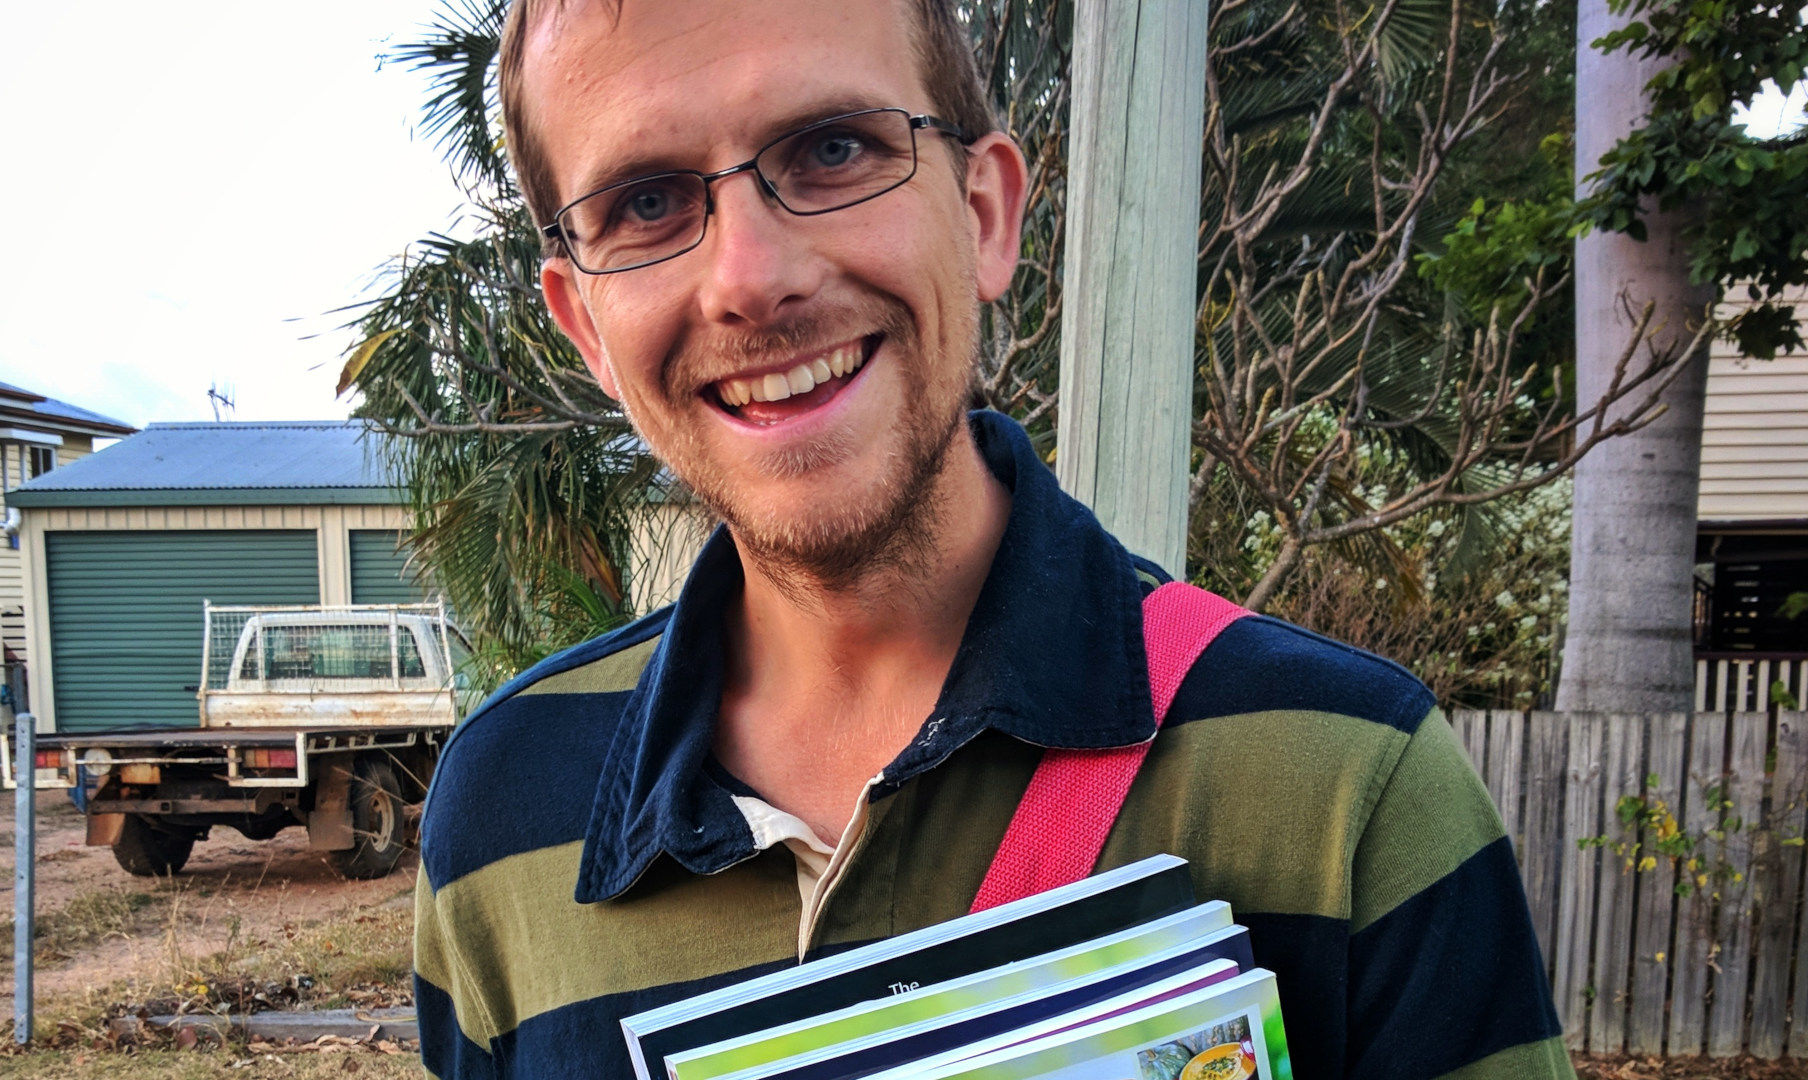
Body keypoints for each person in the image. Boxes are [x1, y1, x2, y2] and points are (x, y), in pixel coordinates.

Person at [413, 0, 1573, 1077]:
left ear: (984, 215)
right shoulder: (500, 817)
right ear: (588, 332)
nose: (751, 280)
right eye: (650, 203)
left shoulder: (1345, 784)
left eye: (830, 149)